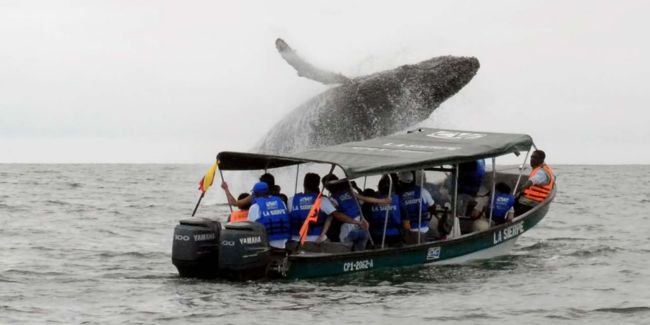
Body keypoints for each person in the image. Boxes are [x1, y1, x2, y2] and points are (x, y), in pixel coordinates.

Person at [320, 174, 390, 251]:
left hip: (348, 227)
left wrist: (323, 234)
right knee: (360, 250)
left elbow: (332, 216)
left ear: (327, 187)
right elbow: (365, 198)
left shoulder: (333, 199)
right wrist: (383, 201)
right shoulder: (350, 191)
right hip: (361, 223)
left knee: (345, 249)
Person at [397, 171, 439, 243]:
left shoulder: (399, 196)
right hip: (424, 228)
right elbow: (433, 207)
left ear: (400, 182)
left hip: (409, 231)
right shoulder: (422, 191)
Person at [246, 182, 291, 249]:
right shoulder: (281, 202)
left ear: (256, 194)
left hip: (267, 246)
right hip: (285, 244)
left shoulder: (255, 207)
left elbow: (249, 229)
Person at [288, 173, 329, 242]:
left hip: (296, 239)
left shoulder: (291, 200)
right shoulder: (323, 200)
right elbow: (333, 214)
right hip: (315, 239)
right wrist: (323, 234)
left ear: (304, 184)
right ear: (318, 185)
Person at [514, 150, 555, 215]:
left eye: (535, 157)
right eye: (531, 157)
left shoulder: (542, 173)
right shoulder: (543, 169)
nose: (532, 159)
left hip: (530, 203)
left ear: (541, 159)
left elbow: (533, 181)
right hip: (526, 200)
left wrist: (519, 189)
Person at [368, 175, 403, 246]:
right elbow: (406, 224)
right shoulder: (399, 200)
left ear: (379, 188)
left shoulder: (370, 201)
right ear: (392, 188)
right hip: (394, 235)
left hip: (375, 236)